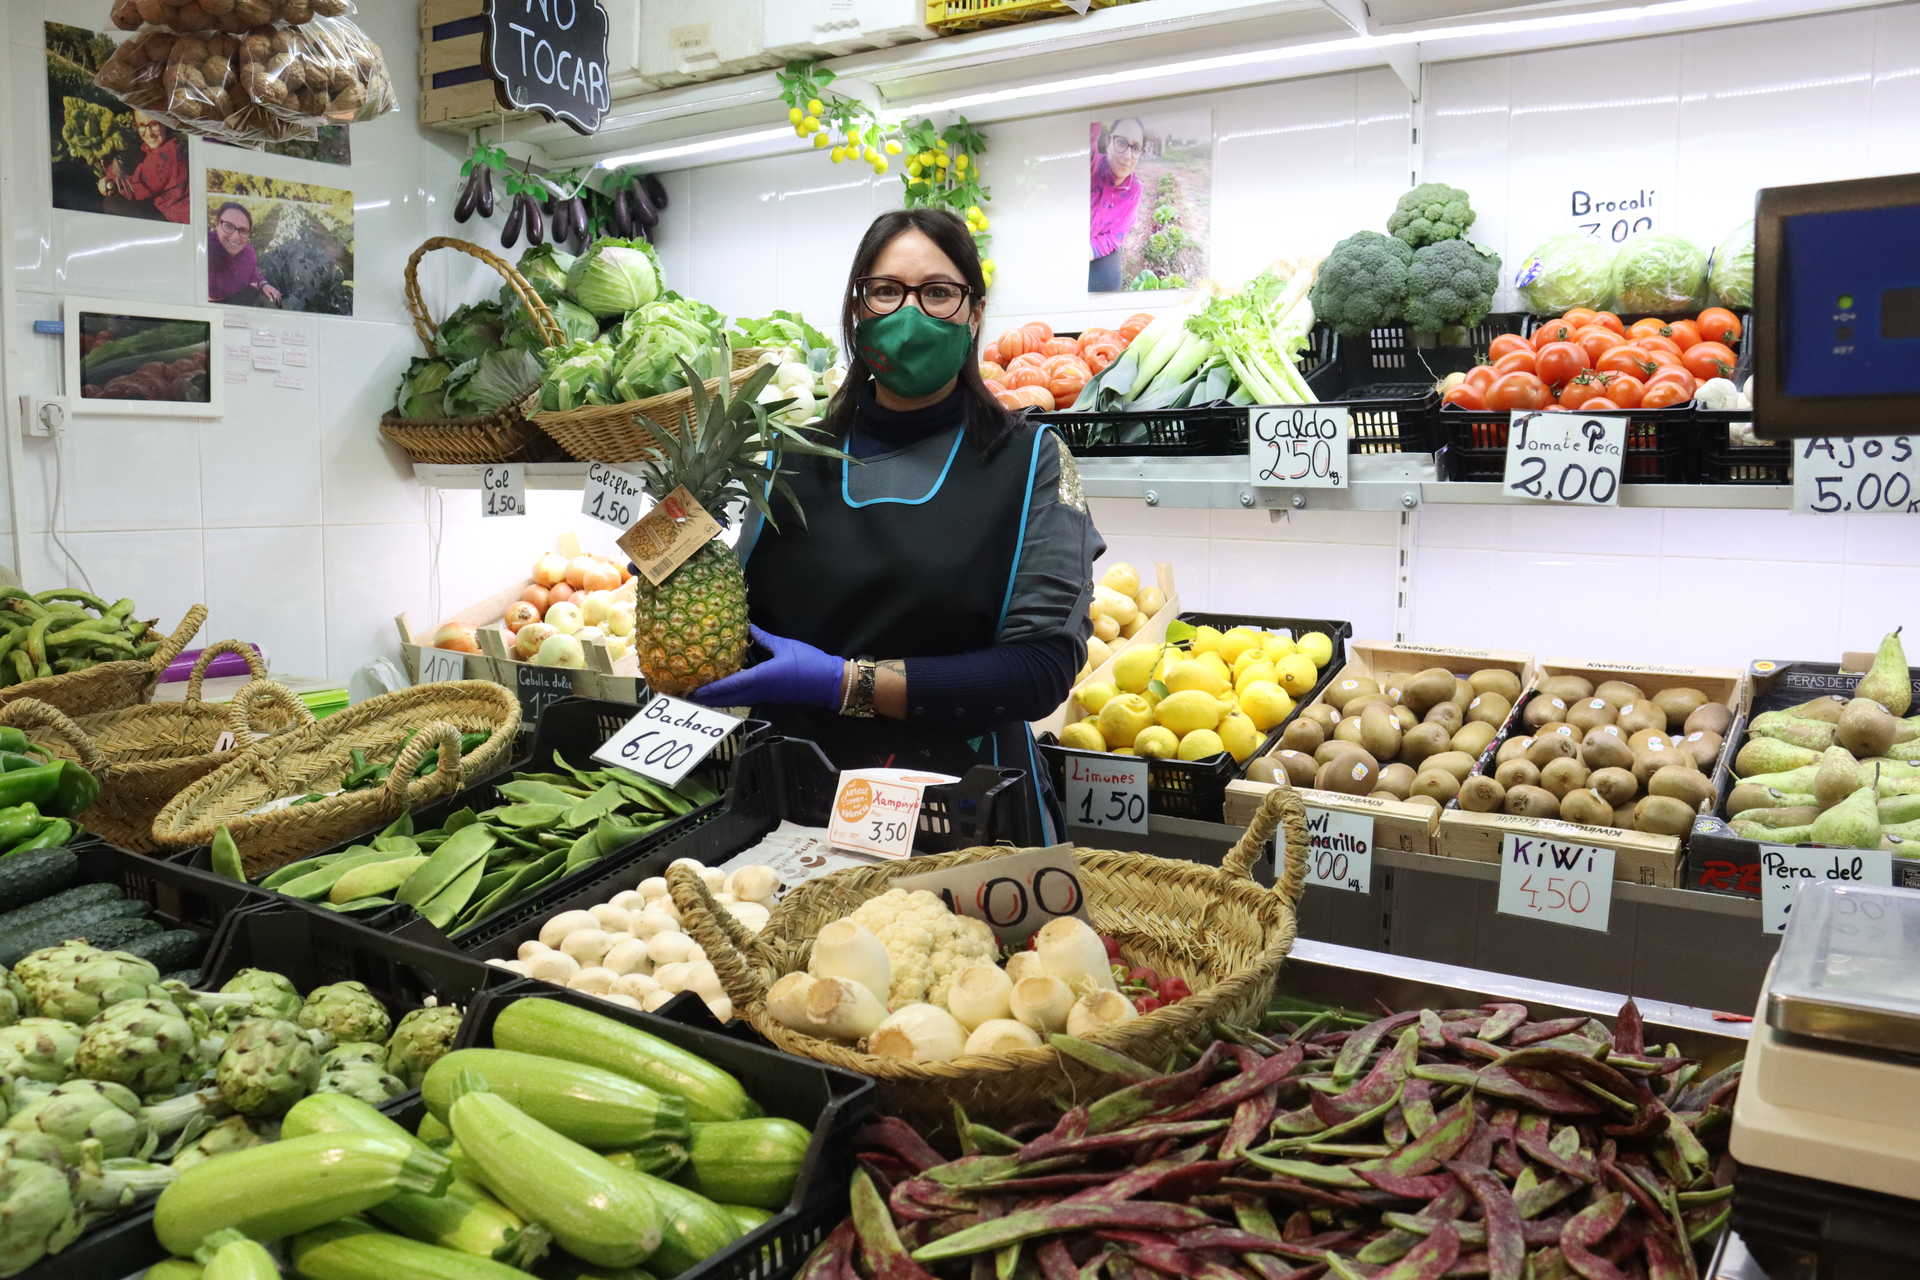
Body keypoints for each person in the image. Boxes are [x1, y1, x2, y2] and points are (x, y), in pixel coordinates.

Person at [694, 208, 1104, 842]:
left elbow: (1039, 669)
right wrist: (669, 569)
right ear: (858, 309)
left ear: (973, 313)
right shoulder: (786, 456)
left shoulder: (1031, 463)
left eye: (938, 293)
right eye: (886, 291)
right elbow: (738, 628)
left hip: (962, 812)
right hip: (789, 807)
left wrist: (846, 683)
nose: (909, 313)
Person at [1088, 117, 1146, 292]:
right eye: (1121, 142)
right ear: (1108, 142)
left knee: (1109, 283)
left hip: (1097, 243)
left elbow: (1115, 236)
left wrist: (1089, 251)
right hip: (1065, 237)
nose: (1128, 156)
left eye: (1135, 148)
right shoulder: (1090, 165)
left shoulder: (1134, 190)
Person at [100, 112, 189, 223]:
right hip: (171, 209)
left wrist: (110, 181)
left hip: (176, 219)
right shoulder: (171, 144)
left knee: (112, 204)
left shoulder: (166, 155)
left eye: (154, 124)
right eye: (142, 126)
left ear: (166, 123)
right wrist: (116, 163)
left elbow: (134, 189)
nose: (149, 133)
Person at [207, 201, 282, 307]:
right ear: (217, 225)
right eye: (228, 226)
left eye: (243, 230)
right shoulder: (204, 246)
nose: (235, 237)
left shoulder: (248, 252)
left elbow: (252, 271)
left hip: (233, 299)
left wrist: (263, 284)